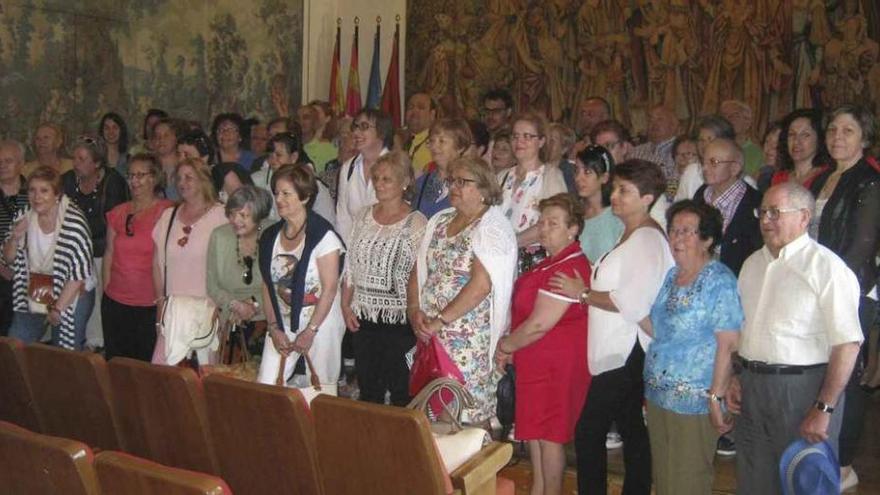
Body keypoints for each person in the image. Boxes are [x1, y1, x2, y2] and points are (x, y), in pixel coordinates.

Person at [729, 182, 863, 495]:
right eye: (761, 212)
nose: (765, 220)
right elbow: (744, 330)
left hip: (802, 391)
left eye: (776, 212)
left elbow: (848, 344)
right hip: (752, 387)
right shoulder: (751, 265)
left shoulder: (827, 268)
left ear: (804, 217)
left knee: (803, 484)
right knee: (753, 482)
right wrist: (737, 376)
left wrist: (824, 408)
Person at [551, 159, 674, 495]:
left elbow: (631, 302)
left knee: (590, 429)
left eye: (625, 191)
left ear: (647, 197)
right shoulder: (632, 234)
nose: (615, 196)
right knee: (632, 426)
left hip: (628, 347)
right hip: (623, 345)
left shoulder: (646, 238)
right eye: (615, 188)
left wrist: (584, 293)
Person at [642, 200, 742, 495]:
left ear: (707, 239)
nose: (677, 238)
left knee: (689, 482)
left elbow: (728, 343)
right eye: (673, 231)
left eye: (687, 231)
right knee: (664, 480)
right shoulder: (672, 276)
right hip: (659, 394)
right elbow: (661, 330)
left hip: (695, 399)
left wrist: (715, 398)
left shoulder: (719, 280)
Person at [494, 193, 592, 495]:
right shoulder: (549, 262)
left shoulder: (569, 266)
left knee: (549, 435)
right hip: (535, 362)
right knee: (535, 434)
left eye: (553, 223)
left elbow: (539, 324)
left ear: (572, 229)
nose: (544, 229)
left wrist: (505, 346)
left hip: (556, 366)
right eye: (542, 222)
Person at [409, 156, 517, 424]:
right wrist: (414, 310)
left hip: (467, 337)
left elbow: (481, 285)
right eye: (451, 180)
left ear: (482, 188)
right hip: (430, 333)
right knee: (434, 413)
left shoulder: (491, 227)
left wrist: (441, 320)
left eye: (462, 182)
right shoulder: (440, 221)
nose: (453, 187)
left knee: (466, 417)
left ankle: (479, 467)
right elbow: (418, 270)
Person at [815, 104, 880, 490]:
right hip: (815, 289)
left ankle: (843, 463)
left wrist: (825, 293)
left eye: (849, 130)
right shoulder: (820, 178)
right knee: (821, 375)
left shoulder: (869, 182)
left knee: (846, 379)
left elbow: (858, 250)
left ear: (865, 137)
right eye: (833, 129)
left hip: (848, 291)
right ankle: (818, 449)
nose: (838, 136)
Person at [342, 152, 426, 406]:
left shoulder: (417, 223)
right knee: (369, 391)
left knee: (402, 391)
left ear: (404, 183)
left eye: (387, 179)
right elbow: (350, 266)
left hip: (399, 320)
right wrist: (346, 305)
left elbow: (419, 274)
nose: (379, 184)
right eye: (376, 178)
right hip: (364, 317)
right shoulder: (362, 216)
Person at [257, 165, 345, 387]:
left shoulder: (323, 236)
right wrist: (273, 327)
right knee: (266, 384)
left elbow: (330, 289)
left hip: (320, 321)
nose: (279, 199)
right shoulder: (270, 236)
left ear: (305, 197)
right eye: (276, 193)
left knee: (320, 387)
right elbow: (267, 285)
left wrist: (310, 331)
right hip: (283, 319)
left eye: (286, 193)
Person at [4, 166, 93, 350]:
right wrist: (14, 237)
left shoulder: (74, 223)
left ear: (57, 194)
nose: (37, 197)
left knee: (65, 354)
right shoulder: (23, 216)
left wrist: (58, 309)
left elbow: (78, 275)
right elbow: (9, 259)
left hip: (74, 290)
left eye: (44, 191)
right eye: (32, 190)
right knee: (14, 346)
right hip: (36, 288)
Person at [151, 158, 227, 364]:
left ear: (203, 180)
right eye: (179, 178)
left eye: (189, 178)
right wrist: (160, 303)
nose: (182, 183)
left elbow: (229, 268)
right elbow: (158, 264)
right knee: (164, 375)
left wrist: (222, 309)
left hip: (207, 312)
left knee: (202, 379)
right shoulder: (168, 216)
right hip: (173, 313)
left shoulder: (221, 216)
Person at [102, 154, 173, 361]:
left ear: (154, 178)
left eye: (140, 175)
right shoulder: (117, 212)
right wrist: (107, 290)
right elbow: (109, 253)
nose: (134, 181)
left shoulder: (166, 211)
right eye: (131, 175)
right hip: (116, 302)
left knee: (145, 366)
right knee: (117, 364)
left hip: (149, 305)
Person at [62, 136, 129, 351]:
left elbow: (112, 222)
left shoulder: (113, 182)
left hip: (101, 249)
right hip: (74, 250)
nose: (76, 163)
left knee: (100, 297)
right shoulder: (68, 181)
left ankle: (97, 343)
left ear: (97, 163)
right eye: (75, 158)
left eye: (82, 159)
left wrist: (82, 240)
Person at [207, 186, 272, 357]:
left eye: (243, 215)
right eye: (231, 214)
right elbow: (212, 285)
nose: (235, 220)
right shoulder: (219, 236)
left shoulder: (273, 235)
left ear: (258, 215)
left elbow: (280, 285)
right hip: (232, 322)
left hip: (270, 322)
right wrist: (236, 305)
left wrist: (253, 305)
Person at [498, 112, 567, 268]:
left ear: (541, 141)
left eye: (527, 136)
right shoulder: (502, 176)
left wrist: (511, 243)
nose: (519, 141)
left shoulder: (551, 176)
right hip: (500, 261)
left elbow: (555, 223)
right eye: (515, 136)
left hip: (533, 263)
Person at [693, 138, 762, 275]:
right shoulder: (701, 194)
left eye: (713, 162)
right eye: (703, 162)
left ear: (734, 168)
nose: (705, 168)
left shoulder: (754, 203)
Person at [336, 109, 392, 244]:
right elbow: (343, 219)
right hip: (352, 253)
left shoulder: (395, 167)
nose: (356, 132)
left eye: (364, 127)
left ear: (381, 132)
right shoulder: (348, 168)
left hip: (385, 249)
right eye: (355, 126)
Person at [257, 132, 335, 224]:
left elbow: (326, 223)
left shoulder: (314, 186)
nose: (273, 161)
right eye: (270, 156)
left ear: (294, 157)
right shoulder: (271, 184)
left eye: (278, 155)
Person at [412, 119, 472, 219]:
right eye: (432, 141)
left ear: (460, 147)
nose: (434, 147)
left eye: (441, 141)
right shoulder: (421, 183)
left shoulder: (469, 185)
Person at [574, 145, 622, 264]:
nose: (578, 178)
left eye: (587, 172)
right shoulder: (574, 212)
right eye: (576, 171)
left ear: (604, 177)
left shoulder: (617, 216)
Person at [0, 141, 29, 334]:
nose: (2, 165)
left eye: (8, 161)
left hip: (31, 271)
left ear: (21, 163)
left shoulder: (37, 192)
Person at [772, 108, 833, 194]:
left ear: (819, 139)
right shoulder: (778, 178)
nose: (796, 141)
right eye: (792, 134)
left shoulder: (828, 177)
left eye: (805, 135)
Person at [628, 106, 680, 192]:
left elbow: (677, 181)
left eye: (660, 119)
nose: (654, 124)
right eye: (650, 120)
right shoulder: (636, 151)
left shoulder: (682, 150)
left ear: (673, 125)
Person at [719, 99, 764, 178]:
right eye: (724, 115)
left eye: (735, 116)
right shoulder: (713, 147)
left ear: (747, 122)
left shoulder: (758, 153)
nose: (728, 119)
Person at [300, 102, 338, 173]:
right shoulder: (291, 145)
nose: (300, 121)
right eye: (297, 117)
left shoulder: (329, 150)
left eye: (306, 117)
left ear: (315, 122)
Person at [405, 93, 438, 173]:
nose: (414, 111)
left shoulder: (437, 144)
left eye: (421, 107)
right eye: (410, 107)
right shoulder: (396, 139)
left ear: (432, 114)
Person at [152, 118, 182, 201]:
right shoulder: (149, 168)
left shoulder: (185, 167)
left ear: (176, 138)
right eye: (157, 136)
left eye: (166, 135)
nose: (161, 139)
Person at [757, 123, 783, 193]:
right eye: (767, 142)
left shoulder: (787, 179)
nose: (770, 147)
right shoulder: (763, 172)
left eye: (776, 143)